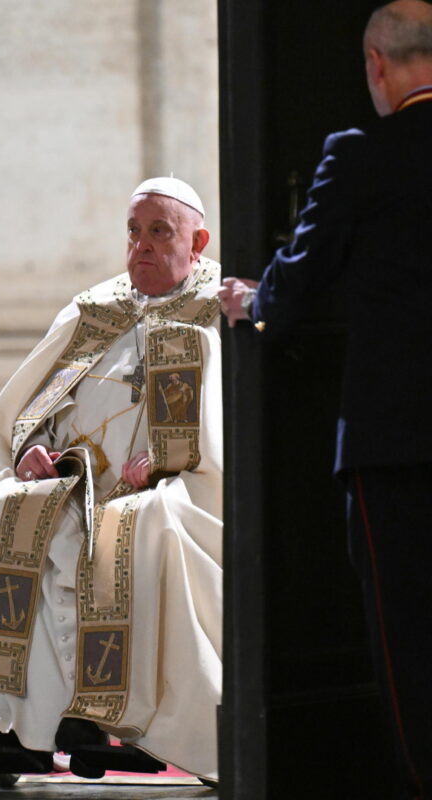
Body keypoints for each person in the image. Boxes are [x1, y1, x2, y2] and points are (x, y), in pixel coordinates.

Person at [0, 177, 223, 783]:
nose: (141, 246)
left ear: (196, 241)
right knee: (7, 512)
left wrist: (176, 459)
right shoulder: (96, 310)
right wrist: (32, 449)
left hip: (172, 487)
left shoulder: (217, 311)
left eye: (159, 232)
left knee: (145, 526)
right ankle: (8, 726)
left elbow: (229, 425)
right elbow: (32, 406)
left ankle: (120, 721)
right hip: (74, 485)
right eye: (133, 231)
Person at [218, 2, 432, 796]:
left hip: (393, 435)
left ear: (376, 63)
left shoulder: (360, 152)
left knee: (407, 632)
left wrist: (254, 301)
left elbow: (300, 278)